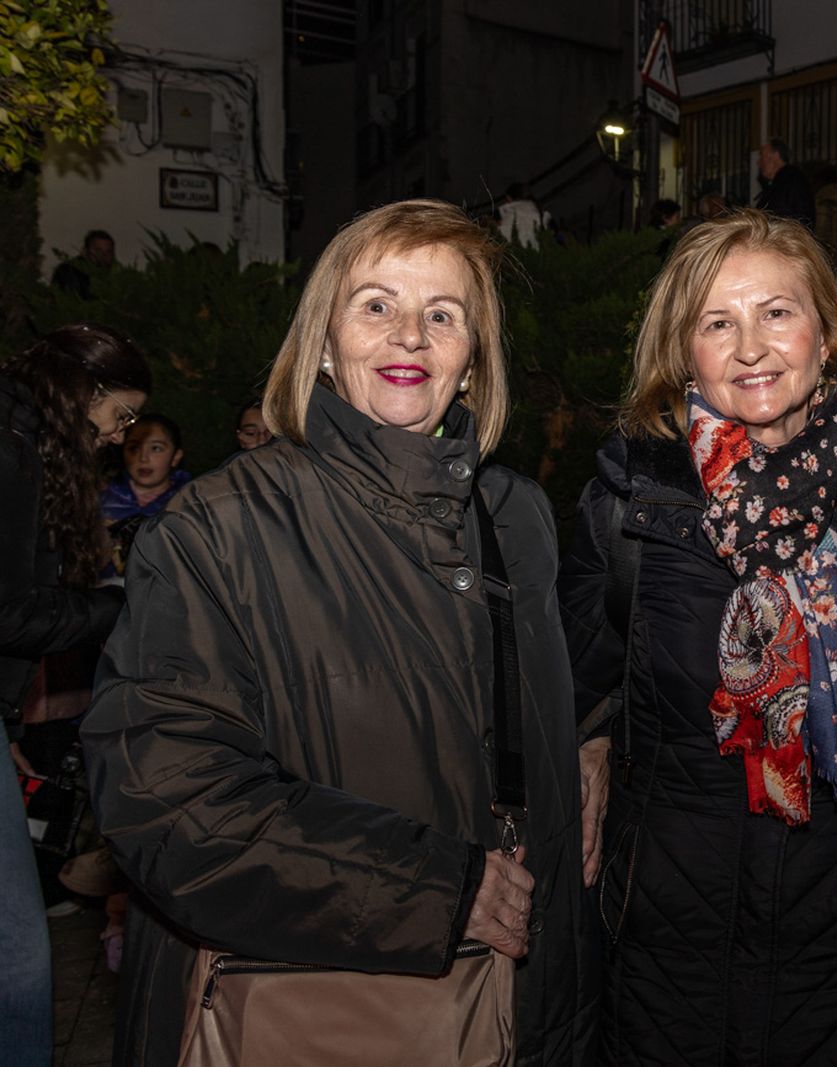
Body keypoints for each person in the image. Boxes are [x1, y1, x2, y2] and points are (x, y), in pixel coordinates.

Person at [80, 199, 591, 1065]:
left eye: (443, 315)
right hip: (303, 1011)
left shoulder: (520, 516)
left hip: (511, 1010)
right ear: (322, 342)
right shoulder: (217, 529)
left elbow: (549, 711)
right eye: (376, 305)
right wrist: (435, 888)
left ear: (472, 361)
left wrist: (598, 734)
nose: (410, 338)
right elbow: (166, 795)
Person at [560, 208, 837, 1065]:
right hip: (664, 959)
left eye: (777, 312)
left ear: (827, 333)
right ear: (680, 349)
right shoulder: (629, 505)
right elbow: (576, 686)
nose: (750, 348)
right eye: (716, 322)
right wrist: (589, 744)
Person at [0, 323, 148, 1067]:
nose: (121, 435)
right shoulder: (15, 450)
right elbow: (11, 612)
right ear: (85, 394)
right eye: (120, 416)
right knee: (19, 962)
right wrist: (123, 606)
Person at [100, 414, 191, 576]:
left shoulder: (189, 504)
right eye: (134, 448)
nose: (143, 458)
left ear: (176, 456)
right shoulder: (100, 498)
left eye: (156, 448)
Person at [755, 138, 815, 228]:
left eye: (762, 156)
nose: (758, 162)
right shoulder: (779, 183)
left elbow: (802, 217)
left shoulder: (792, 180)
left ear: (776, 155)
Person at [50, 230, 116, 299]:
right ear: (84, 251)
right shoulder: (68, 272)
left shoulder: (115, 274)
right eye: (98, 251)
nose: (103, 256)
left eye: (108, 252)